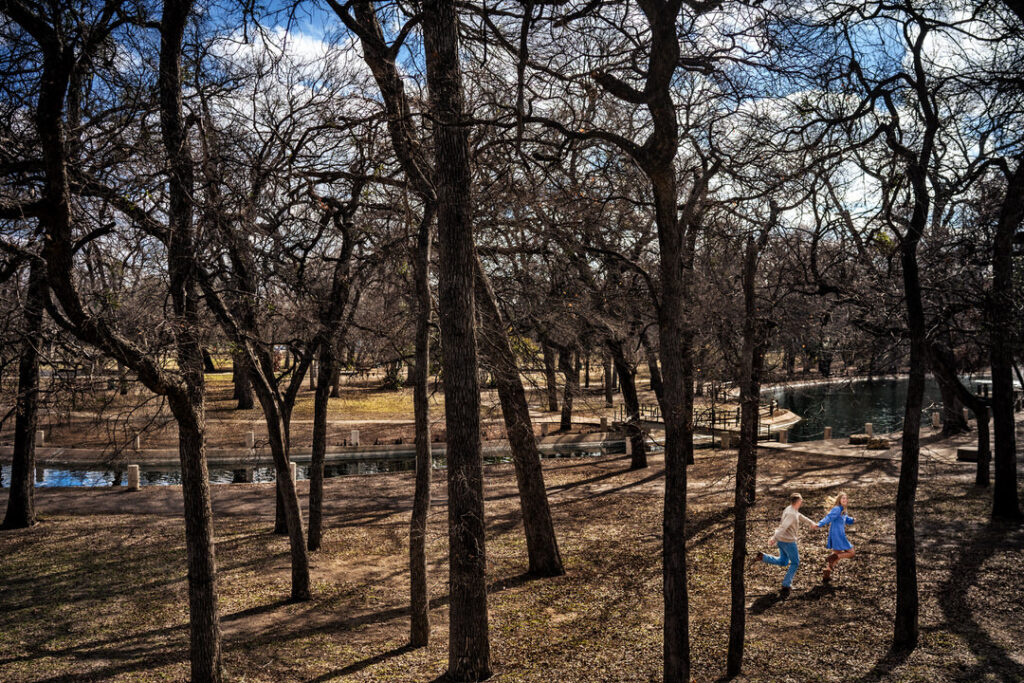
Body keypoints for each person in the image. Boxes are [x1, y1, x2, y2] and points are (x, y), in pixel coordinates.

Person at [753, 492, 819, 598]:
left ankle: (763, 557)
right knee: (795, 562)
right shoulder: (791, 514)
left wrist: (811, 523)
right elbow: (783, 527)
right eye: (801, 500)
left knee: (783, 561)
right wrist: (774, 538)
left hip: (782, 541)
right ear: (798, 502)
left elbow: (800, 516)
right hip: (788, 542)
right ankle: (786, 584)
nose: (802, 502)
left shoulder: (791, 509)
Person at [817, 492, 855, 583]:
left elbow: (845, 519)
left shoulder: (843, 510)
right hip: (838, 535)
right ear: (839, 500)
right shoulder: (837, 509)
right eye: (843, 498)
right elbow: (828, 517)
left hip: (838, 534)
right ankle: (834, 556)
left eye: (846, 498)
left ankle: (827, 573)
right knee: (851, 552)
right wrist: (819, 524)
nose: (845, 500)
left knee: (835, 557)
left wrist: (852, 520)